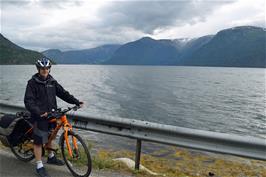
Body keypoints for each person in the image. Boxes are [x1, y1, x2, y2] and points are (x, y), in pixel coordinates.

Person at [24, 57, 84, 177]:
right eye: (42, 68)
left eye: (47, 68)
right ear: (38, 69)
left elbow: (63, 93)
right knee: (39, 141)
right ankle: (39, 165)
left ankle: (51, 157)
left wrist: (76, 102)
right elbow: (28, 101)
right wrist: (39, 112)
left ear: (49, 69)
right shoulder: (32, 83)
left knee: (51, 135)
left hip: (52, 114)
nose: (45, 70)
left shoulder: (52, 81)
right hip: (39, 116)